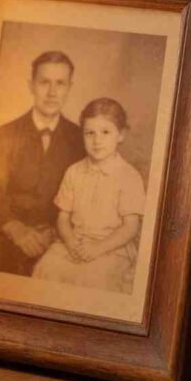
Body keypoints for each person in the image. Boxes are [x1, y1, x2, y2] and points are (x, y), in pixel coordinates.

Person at [0, 51, 84, 276]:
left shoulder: (80, 139)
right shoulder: (6, 134)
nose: (52, 92)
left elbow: (86, 198)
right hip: (5, 237)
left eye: (60, 83)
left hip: (58, 240)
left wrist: (56, 232)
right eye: (44, 82)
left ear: (70, 87)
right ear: (31, 85)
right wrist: (16, 229)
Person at [31, 98, 145, 293]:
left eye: (105, 132)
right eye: (89, 133)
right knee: (45, 268)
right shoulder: (74, 172)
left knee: (91, 281)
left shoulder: (128, 176)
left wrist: (97, 248)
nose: (97, 140)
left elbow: (130, 227)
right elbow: (63, 218)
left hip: (111, 249)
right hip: (75, 243)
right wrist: (71, 242)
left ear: (121, 135)